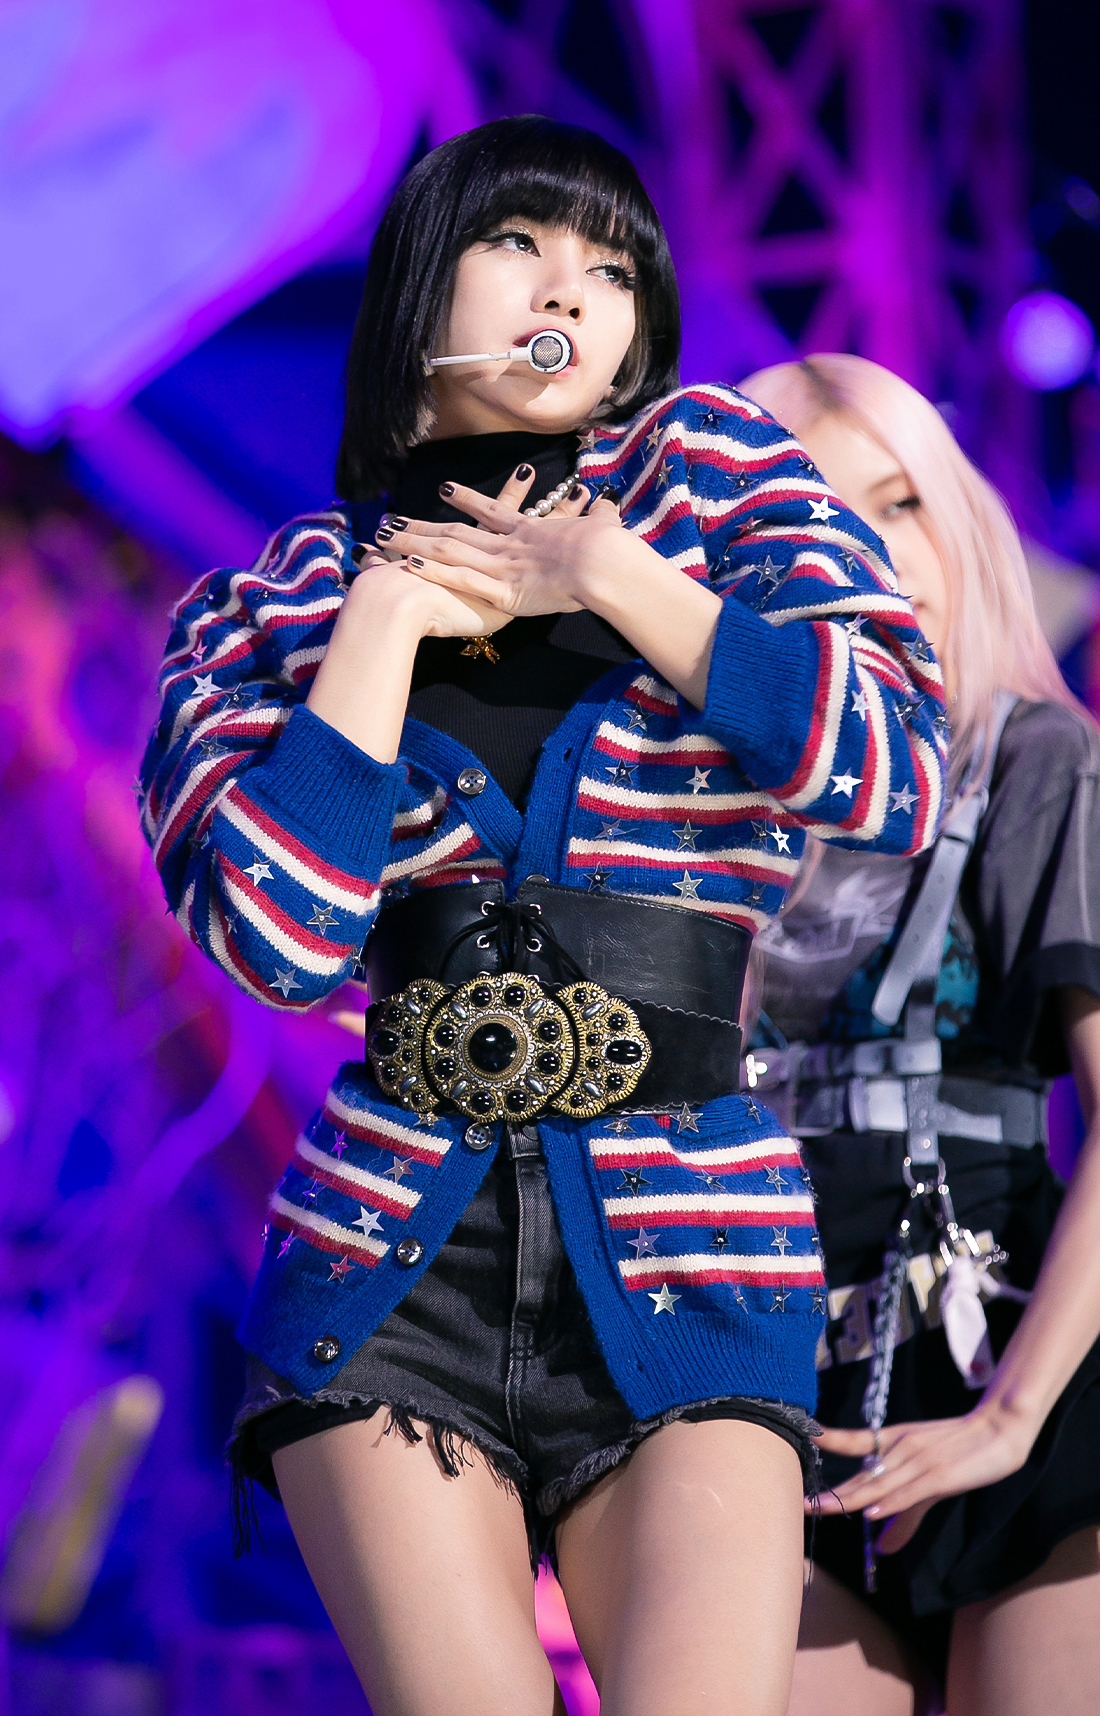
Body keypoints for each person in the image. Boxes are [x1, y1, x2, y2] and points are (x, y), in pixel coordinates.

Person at [139, 122, 944, 1716]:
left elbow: (895, 768)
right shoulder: (260, 616)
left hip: (692, 1237)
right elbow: (277, 945)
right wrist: (381, 621)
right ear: (420, 283)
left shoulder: (717, 491)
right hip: (388, 1262)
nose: (572, 288)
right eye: (521, 243)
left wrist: (613, 577)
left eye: (614, 268)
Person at [739, 353, 1100, 1716]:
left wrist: (1010, 1418)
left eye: (901, 506)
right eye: (823, 520)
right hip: (769, 1397)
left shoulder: (1036, 761)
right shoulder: (701, 822)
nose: (876, 556)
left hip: (1021, 1373)